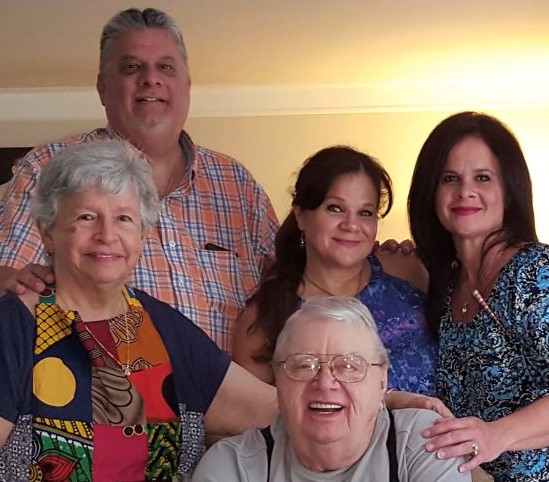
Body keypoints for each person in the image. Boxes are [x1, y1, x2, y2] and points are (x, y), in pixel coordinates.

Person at [0, 7, 278, 353]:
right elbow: (9, 282)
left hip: (230, 401)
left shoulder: (237, 184)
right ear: (103, 88)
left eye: (165, 67)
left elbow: (291, 289)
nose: (151, 79)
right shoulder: (50, 167)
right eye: (132, 67)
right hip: (104, 400)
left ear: (187, 85)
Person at [0, 140, 277, 481]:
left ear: (144, 234)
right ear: (47, 233)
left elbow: (279, 413)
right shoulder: (14, 327)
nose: (107, 235)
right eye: (86, 217)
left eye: (124, 218)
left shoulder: (166, 329)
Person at [408, 111, 549, 481]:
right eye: (449, 179)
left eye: (482, 178)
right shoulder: (447, 287)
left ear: (509, 191)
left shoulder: (534, 272)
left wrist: (495, 435)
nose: (464, 191)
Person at [193, 296, 470, 481]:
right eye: (303, 365)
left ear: (382, 382)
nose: (325, 383)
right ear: (278, 381)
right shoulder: (232, 466)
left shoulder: (425, 441)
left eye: (349, 366)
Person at [233, 145, 437, 395]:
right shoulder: (265, 318)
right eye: (335, 208)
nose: (352, 225)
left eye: (365, 212)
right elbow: (251, 418)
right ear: (300, 216)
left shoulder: (406, 269)